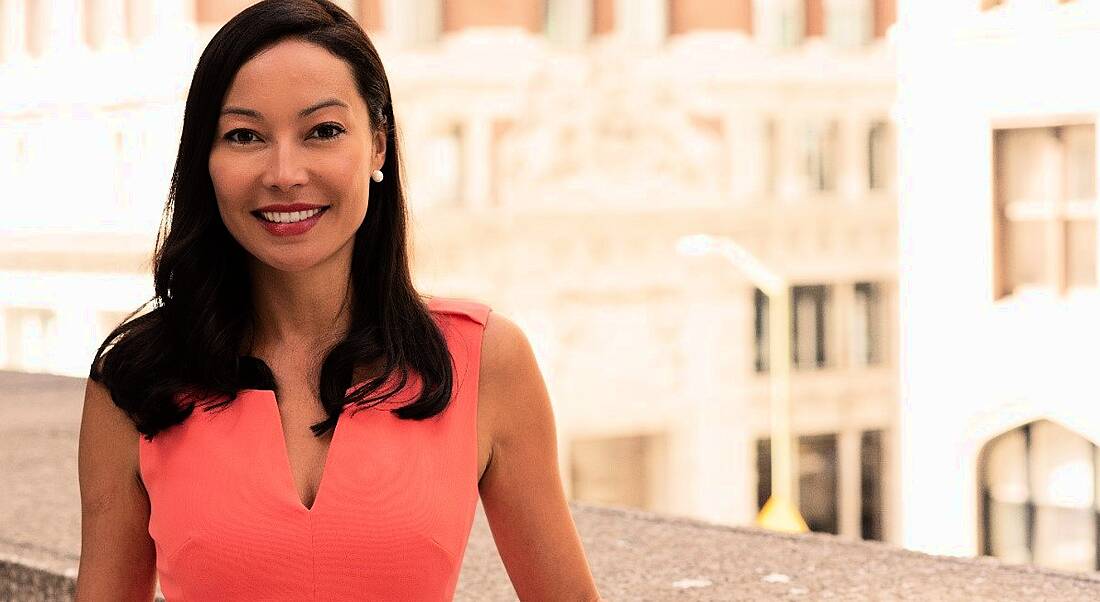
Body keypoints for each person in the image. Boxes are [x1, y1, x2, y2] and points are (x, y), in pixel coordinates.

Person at [74, 1, 601, 599]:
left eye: (322, 131)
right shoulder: (134, 381)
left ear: (378, 146)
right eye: (244, 135)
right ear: (206, 161)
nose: (285, 173)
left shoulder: (484, 361)